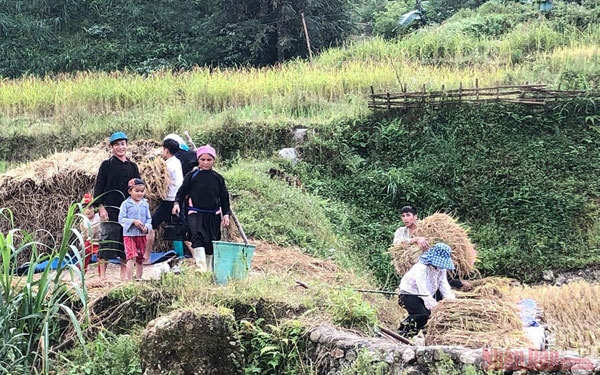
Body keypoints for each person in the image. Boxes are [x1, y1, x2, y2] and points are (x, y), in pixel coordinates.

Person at [172, 145, 230, 272]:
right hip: (195, 212)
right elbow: (181, 192)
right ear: (198, 160)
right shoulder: (192, 176)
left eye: (209, 160)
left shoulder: (218, 178)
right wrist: (177, 203)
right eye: (202, 159)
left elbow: (224, 197)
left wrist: (226, 214)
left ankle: (208, 269)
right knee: (196, 236)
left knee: (210, 241)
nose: (205, 163)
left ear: (214, 161)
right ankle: (200, 267)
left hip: (213, 214)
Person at [93, 132, 140, 280]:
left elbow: (138, 188)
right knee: (106, 242)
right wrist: (101, 207)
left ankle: (123, 277)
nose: (120, 147)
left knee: (126, 244)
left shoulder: (133, 166)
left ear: (127, 145)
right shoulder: (106, 165)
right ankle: (103, 277)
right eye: (117, 144)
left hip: (127, 212)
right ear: (112, 147)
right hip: (110, 210)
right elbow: (99, 186)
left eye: (123, 144)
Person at [393, 205, 472, 292]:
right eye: (403, 216)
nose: (405, 218)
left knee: (438, 278)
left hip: (430, 262)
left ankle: (457, 284)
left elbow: (439, 240)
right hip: (411, 263)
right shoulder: (401, 231)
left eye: (408, 215)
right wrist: (415, 239)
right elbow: (396, 243)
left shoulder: (426, 227)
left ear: (415, 216)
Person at [398, 243, 456, 337]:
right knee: (421, 314)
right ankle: (403, 332)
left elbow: (443, 285)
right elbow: (422, 288)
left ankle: (411, 335)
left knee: (427, 317)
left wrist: (451, 301)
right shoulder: (421, 267)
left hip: (424, 294)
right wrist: (433, 305)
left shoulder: (441, 269)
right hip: (409, 293)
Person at [144, 138, 184, 263]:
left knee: (151, 225)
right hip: (177, 199)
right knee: (178, 227)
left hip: (169, 201)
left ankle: (146, 256)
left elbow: (158, 180)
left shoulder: (167, 165)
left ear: (166, 150)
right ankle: (192, 254)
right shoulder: (177, 162)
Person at [118, 178, 152, 280]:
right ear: (130, 191)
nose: (139, 194)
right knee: (131, 256)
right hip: (129, 235)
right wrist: (133, 221)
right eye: (137, 191)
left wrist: (146, 227)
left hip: (141, 235)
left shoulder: (145, 204)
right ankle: (129, 279)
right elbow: (121, 219)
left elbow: (149, 219)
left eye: (142, 191)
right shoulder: (126, 204)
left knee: (140, 258)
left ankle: (139, 278)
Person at [80, 193, 101, 273]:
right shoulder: (83, 221)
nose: (88, 210)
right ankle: (82, 272)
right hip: (89, 242)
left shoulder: (98, 218)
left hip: (98, 242)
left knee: (100, 257)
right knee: (83, 256)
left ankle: (101, 274)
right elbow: (83, 234)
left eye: (90, 207)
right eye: (85, 208)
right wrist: (82, 241)